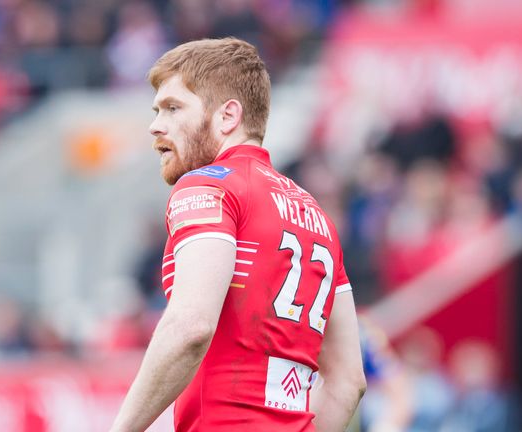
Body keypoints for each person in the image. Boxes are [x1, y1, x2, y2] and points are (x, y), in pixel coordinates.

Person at [111, 37, 366, 432]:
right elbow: (349, 380)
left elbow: (191, 326)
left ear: (228, 116)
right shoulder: (317, 216)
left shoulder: (208, 186)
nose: (155, 125)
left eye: (173, 108)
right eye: (156, 110)